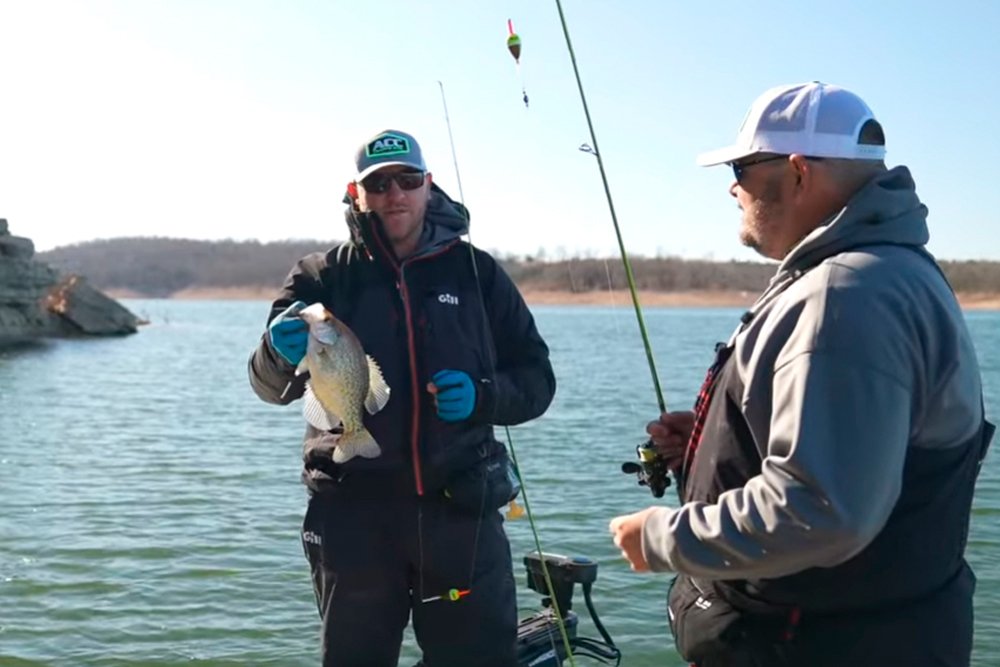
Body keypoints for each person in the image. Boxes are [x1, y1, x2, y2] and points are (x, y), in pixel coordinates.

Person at [609, 82, 994, 666]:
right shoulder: (883, 271)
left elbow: (822, 511)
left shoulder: (846, 293)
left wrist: (662, 538)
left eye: (741, 166)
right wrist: (719, 440)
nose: (733, 187)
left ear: (796, 172)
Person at [248, 129, 556, 667]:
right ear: (356, 192)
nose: (395, 193)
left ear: (428, 185)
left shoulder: (478, 273)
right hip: (352, 518)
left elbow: (537, 380)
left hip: (463, 515)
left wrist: (484, 397)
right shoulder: (322, 277)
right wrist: (276, 352)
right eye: (379, 182)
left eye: (408, 180)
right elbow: (268, 386)